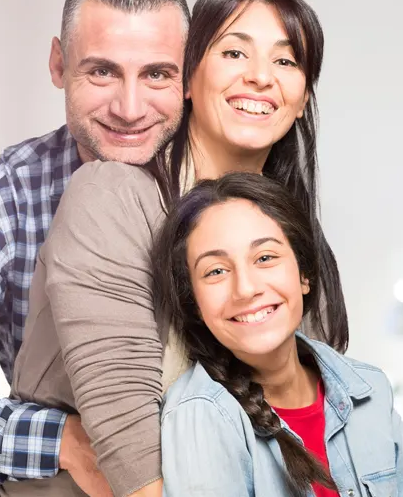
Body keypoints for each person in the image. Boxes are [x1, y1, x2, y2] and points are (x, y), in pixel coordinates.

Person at [0, 0, 348, 496]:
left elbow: (316, 414)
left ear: (302, 98)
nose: (259, 77)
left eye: (286, 62)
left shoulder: (293, 234)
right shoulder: (111, 195)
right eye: (233, 52)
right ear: (187, 77)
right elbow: (126, 438)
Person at [0, 0, 189, 497]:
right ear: (57, 63)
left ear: (189, 77)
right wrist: (65, 441)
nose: (130, 108)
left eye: (157, 74)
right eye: (102, 71)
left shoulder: (224, 183)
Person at [154, 172, 403, 497]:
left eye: (265, 258)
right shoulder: (200, 417)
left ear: (304, 274)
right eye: (215, 271)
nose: (245, 288)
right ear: (196, 305)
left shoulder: (371, 390)